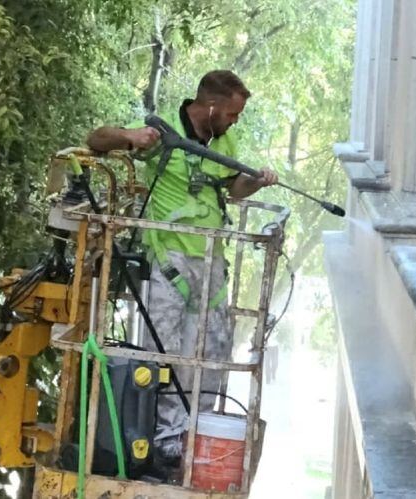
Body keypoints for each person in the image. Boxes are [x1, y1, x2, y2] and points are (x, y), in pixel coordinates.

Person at [86, 70, 277, 467]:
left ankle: (197, 430)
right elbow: (96, 139)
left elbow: (231, 190)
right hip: (170, 257)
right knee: (165, 349)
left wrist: (256, 182)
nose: (234, 122)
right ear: (210, 107)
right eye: (231, 114)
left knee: (213, 348)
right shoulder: (164, 133)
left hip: (211, 260)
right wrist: (130, 138)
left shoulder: (223, 141)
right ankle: (163, 436)